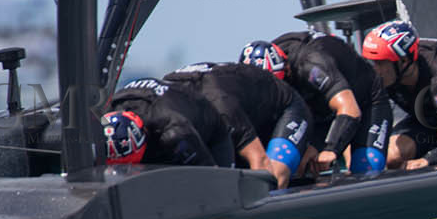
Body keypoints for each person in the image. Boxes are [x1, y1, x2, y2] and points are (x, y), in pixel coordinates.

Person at [242, 33, 390, 175]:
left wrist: (330, 149)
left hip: (363, 102)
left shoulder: (310, 64)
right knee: (295, 163)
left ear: (286, 70)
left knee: (366, 167)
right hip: (318, 111)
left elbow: (350, 110)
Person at [358, 19, 437, 171]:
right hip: (425, 119)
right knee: (391, 157)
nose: (376, 70)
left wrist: (426, 161)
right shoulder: (387, 75)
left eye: (380, 63)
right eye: (373, 63)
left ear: (404, 61)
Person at [162, 61, 310, 187]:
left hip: (286, 107)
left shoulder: (222, 108)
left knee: (273, 176)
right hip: (237, 103)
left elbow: (261, 162)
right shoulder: (165, 112)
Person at [103, 76, 280, 175]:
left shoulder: (175, 133)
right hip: (171, 106)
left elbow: (215, 181)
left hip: (209, 129)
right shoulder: (107, 115)